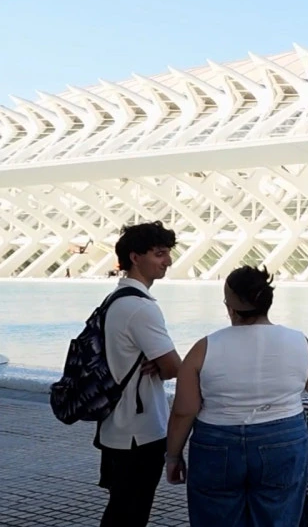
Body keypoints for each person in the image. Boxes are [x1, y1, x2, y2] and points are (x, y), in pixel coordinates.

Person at [165, 266, 308, 525]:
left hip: (216, 443)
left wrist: (173, 456)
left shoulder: (204, 348)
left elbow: (184, 411)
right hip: (283, 439)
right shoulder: (299, 342)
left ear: (230, 305)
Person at [97, 222, 182, 527]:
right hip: (139, 432)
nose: (167, 262)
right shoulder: (140, 308)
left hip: (116, 426)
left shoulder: (114, 301)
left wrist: (158, 361)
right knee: (131, 513)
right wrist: (163, 364)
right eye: (159, 254)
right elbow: (175, 368)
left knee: (121, 509)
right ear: (135, 257)